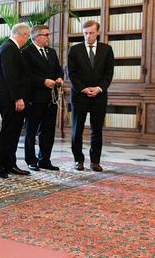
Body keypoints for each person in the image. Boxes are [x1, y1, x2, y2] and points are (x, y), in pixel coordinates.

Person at [67, 19, 115, 172]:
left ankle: (95, 161)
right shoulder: (74, 50)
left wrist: (99, 88)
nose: (88, 36)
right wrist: (83, 89)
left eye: (91, 33)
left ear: (98, 32)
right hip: (79, 95)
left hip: (99, 96)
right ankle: (78, 160)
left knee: (97, 130)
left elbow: (109, 73)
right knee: (77, 129)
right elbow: (71, 74)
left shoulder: (107, 50)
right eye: (85, 33)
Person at [0, 22, 31, 178]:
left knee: (13, 133)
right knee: (8, 133)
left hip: (13, 99)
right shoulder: (9, 48)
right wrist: (18, 98)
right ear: (24, 35)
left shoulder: (12, 48)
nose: (27, 39)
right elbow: (10, 77)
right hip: (10, 100)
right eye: (28, 36)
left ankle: (9, 164)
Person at [22, 24, 64, 171]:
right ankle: (31, 160)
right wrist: (43, 81)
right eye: (46, 35)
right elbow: (26, 76)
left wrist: (59, 77)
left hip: (51, 99)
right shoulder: (26, 53)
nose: (48, 37)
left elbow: (58, 69)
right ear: (36, 36)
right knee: (31, 131)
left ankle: (45, 159)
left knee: (48, 131)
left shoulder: (51, 51)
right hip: (34, 99)